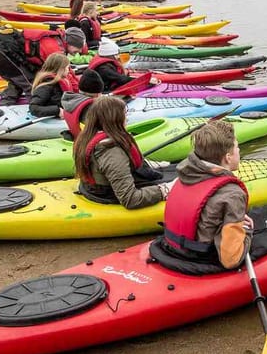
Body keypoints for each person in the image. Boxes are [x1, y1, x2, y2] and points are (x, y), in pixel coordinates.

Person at [157, 120, 252, 269]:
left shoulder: (186, 173)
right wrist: (247, 231)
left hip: (172, 248)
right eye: (237, 147)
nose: (239, 150)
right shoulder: (233, 194)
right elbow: (231, 259)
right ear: (228, 157)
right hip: (200, 258)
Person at [71, 95, 173, 208]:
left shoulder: (87, 137)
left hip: (96, 188)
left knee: (176, 169)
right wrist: (165, 190)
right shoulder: (111, 151)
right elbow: (130, 199)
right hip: (108, 194)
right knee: (184, 181)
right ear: (115, 119)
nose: (126, 119)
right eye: (124, 114)